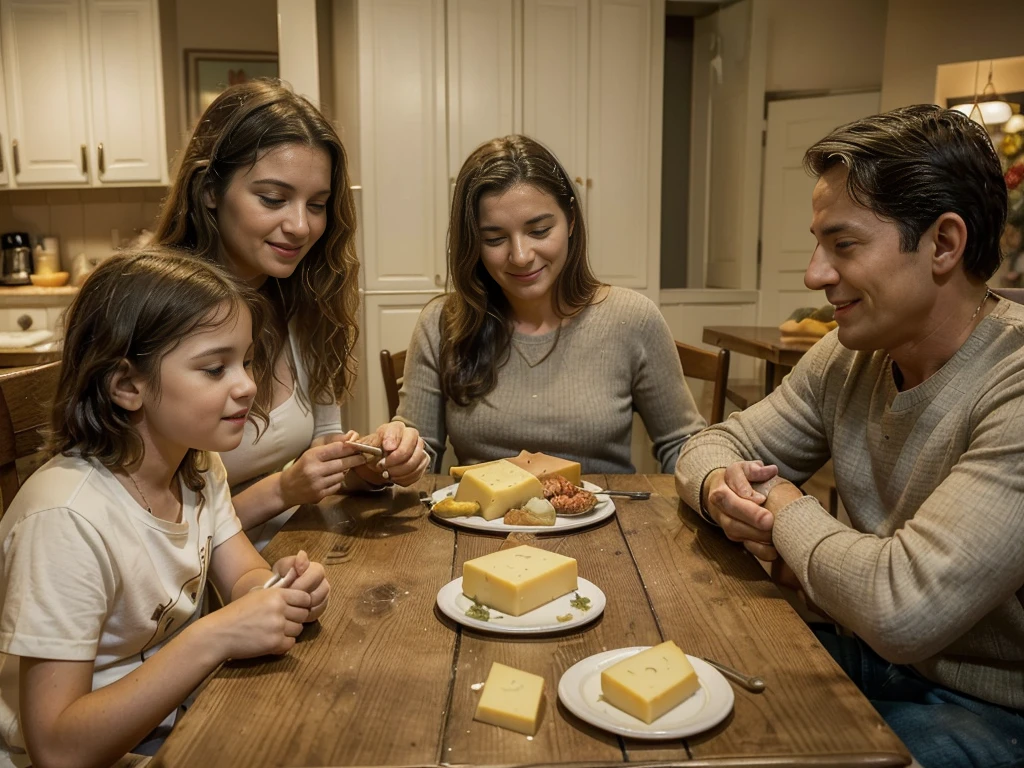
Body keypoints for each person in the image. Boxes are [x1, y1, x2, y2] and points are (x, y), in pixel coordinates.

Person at [675, 105, 1024, 768]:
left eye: (844, 244)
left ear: (944, 245)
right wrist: (726, 492)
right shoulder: (852, 356)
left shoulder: (1015, 385)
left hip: (996, 711)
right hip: (872, 658)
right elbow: (708, 446)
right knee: (683, 699)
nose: (813, 275)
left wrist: (780, 510)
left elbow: (902, 604)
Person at [0, 250, 331, 768]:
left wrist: (276, 591)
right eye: (214, 367)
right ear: (127, 385)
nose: (246, 383)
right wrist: (215, 636)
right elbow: (58, 749)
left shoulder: (195, 464)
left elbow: (242, 570)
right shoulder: (66, 521)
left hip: (171, 727)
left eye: (244, 361)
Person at [154, 79, 429, 547]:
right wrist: (280, 490)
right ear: (209, 191)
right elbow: (149, 533)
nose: (301, 226)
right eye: (273, 199)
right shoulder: (156, 318)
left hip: (294, 558)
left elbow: (320, 443)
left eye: (317, 205)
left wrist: (365, 464)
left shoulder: (303, 301)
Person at [396, 135, 705, 474]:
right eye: (494, 239)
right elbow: (418, 455)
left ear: (571, 219)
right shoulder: (443, 323)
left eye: (539, 231)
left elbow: (682, 443)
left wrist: (712, 477)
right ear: (473, 242)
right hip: (481, 524)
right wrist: (396, 459)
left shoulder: (632, 319)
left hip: (607, 520)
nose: (521, 256)